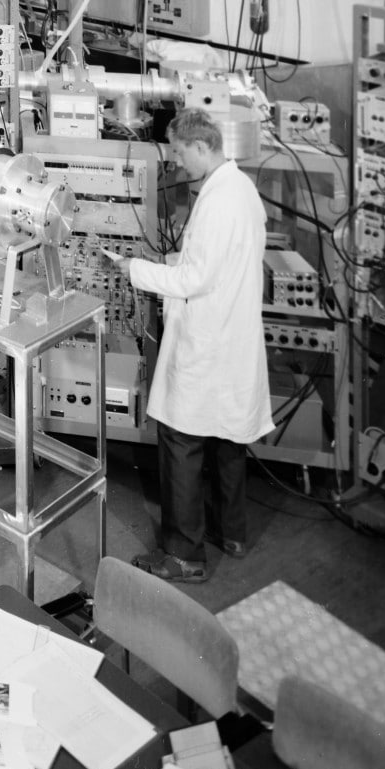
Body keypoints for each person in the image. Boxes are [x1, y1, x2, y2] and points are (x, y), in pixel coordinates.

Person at [112, 108, 273, 583]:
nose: (179, 165)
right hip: (233, 336)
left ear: (201, 147)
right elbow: (217, 260)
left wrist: (135, 270)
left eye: (181, 154)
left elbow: (195, 278)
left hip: (208, 340)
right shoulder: (240, 190)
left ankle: (183, 554)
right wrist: (172, 259)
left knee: (180, 441)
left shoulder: (219, 200)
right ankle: (231, 532)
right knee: (227, 440)